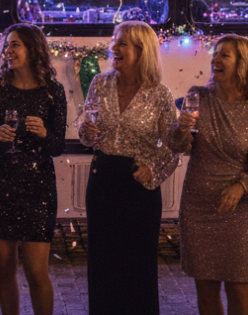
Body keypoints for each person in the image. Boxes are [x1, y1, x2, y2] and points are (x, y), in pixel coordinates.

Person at [77, 20, 187, 314]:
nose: (114, 47)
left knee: (137, 266)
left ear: (142, 51)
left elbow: (173, 146)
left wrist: (154, 170)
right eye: (115, 41)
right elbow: (86, 135)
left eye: (122, 43)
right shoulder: (100, 83)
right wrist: (87, 132)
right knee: (102, 262)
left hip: (139, 185)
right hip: (103, 179)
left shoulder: (160, 94)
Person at [179, 35, 248, 315]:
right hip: (199, 207)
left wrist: (241, 186)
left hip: (240, 211)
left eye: (225, 55)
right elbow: (179, 147)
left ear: (242, 63)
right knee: (205, 287)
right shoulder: (197, 96)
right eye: (215, 54)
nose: (216, 60)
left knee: (238, 287)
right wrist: (181, 129)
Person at [0, 23, 67, 315]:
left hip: (37, 187)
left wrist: (44, 134)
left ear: (33, 49)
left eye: (15, 44)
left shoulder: (53, 91)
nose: (8, 50)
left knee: (36, 271)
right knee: (4, 268)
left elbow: (57, 145)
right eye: (7, 45)